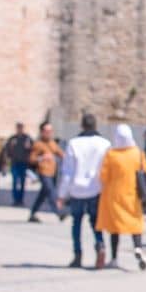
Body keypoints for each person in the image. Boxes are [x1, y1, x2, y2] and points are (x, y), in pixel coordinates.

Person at [58, 114, 111, 269]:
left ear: (82, 126)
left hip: (77, 189)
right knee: (96, 222)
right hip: (96, 188)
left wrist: (62, 195)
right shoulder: (104, 144)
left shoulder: (74, 144)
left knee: (76, 224)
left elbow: (67, 172)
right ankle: (100, 245)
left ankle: (77, 255)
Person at [96, 124, 146, 270]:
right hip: (132, 195)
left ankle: (114, 258)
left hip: (115, 196)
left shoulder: (111, 155)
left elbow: (103, 176)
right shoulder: (137, 153)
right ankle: (138, 247)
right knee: (135, 224)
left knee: (115, 228)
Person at [28, 122, 65, 222]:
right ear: (42, 132)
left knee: (42, 194)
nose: (49, 133)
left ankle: (32, 213)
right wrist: (41, 158)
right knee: (51, 191)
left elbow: (61, 153)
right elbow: (31, 159)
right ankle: (59, 212)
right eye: (47, 131)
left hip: (52, 173)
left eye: (50, 131)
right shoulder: (38, 144)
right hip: (43, 172)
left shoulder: (52, 143)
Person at [2, 122, 33, 206]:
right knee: (15, 182)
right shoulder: (13, 138)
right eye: (18, 127)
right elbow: (7, 150)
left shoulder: (27, 138)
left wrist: (29, 148)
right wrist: (11, 146)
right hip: (14, 162)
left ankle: (21, 199)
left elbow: (32, 150)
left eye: (21, 127)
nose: (20, 129)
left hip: (23, 163)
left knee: (23, 182)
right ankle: (15, 199)